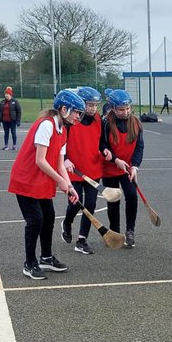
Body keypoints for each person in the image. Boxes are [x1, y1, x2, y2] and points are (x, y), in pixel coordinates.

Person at [7, 90, 83, 280]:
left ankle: (46, 258)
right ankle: (29, 263)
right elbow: (40, 160)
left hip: (40, 180)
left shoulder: (63, 130)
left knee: (48, 216)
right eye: (76, 112)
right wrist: (60, 181)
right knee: (35, 221)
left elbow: (59, 163)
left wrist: (69, 185)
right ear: (64, 109)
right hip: (25, 179)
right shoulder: (46, 125)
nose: (78, 116)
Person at [99, 89, 144, 248]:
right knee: (113, 199)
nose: (125, 112)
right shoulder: (105, 123)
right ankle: (115, 231)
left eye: (127, 108)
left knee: (132, 195)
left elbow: (139, 148)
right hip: (110, 168)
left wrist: (135, 167)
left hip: (127, 168)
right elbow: (102, 145)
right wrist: (115, 159)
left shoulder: (136, 123)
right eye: (121, 109)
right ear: (112, 108)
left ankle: (130, 231)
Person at [62, 86, 105, 255]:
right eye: (89, 105)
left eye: (95, 105)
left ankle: (82, 240)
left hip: (93, 170)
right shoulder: (71, 122)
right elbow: (60, 145)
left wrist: (105, 150)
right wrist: (65, 159)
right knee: (74, 204)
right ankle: (67, 222)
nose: (93, 108)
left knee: (90, 205)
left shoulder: (98, 120)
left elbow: (101, 141)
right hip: (73, 171)